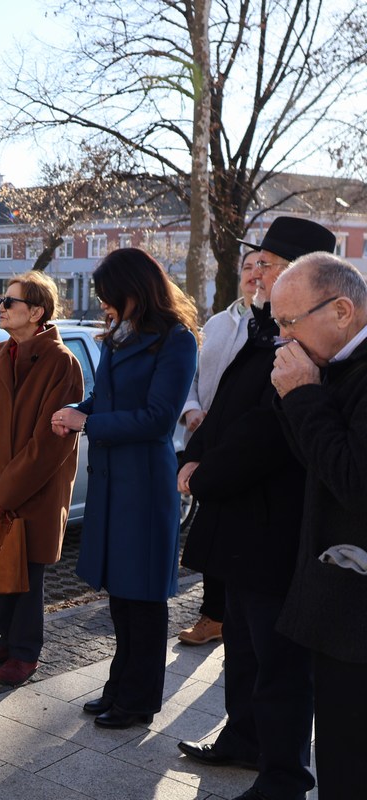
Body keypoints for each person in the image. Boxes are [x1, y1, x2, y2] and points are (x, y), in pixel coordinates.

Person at [175, 219, 335, 800]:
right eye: (254, 261)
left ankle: (284, 774)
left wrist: (206, 474)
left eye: (266, 262)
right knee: (241, 645)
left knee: (279, 660)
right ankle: (243, 738)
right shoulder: (261, 328)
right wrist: (193, 454)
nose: (254, 271)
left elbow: (267, 430)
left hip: (273, 524)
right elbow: (224, 409)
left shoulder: (303, 338)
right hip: (238, 520)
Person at [53, 247, 198, 729]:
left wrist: (88, 422)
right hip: (114, 482)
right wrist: (79, 410)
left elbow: (159, 418)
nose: (103, 306)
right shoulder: (120, 336)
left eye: (108, 296)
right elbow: (108, 397)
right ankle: (119, 686)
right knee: (121, 595)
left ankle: (139, 700)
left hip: (144, 484)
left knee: (144, 597)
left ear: (134, 291)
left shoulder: (176, 340)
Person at [270, 252, 367, 800]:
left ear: (342, 311)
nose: (281, 336)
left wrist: (305, 394)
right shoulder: (335, 362)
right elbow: (313, 460)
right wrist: (297, 395)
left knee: (350, 759)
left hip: (358, 610)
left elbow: (354, 483)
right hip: (339, 597)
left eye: (289, 322)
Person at [0, 271, 83, 684]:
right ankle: (5, 640)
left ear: (35, 311)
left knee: (27, 573)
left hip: (35, 491)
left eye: (9, 303)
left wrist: (6, 490)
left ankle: (26, 652)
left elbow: (51, 442)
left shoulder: (62, 362)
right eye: (2, 301)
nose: (1, 308)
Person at [175, 250, 258, 646]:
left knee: (233, 533)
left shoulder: (269, 328)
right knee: (210, 529)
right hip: (205, 437)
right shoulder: (217, 323)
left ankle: (228, 617)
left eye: (264, 266)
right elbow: (195, 375)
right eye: (248, 267)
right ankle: (213, 615)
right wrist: (191, 411)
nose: (254, 274)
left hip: (241, 444)